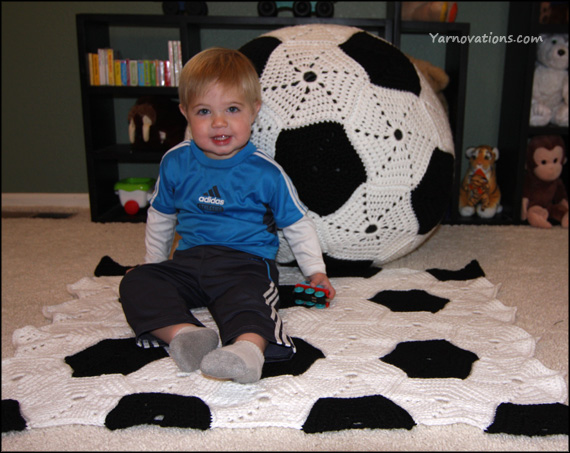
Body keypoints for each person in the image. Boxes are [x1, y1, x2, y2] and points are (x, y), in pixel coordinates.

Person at [119, 47, 335, 384]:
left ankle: (246, 351)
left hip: (245, 264)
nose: (219, 122)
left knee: (249, 301)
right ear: (185, 114)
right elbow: (161, 215)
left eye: (232, 109)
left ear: (253, 111)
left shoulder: (266, 173)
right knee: (136, 281)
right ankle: (185, 334)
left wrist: (315, 270)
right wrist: (154, 263)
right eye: (204, 111)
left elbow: (296, 223)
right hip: (188, 262)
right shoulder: (175, 162)